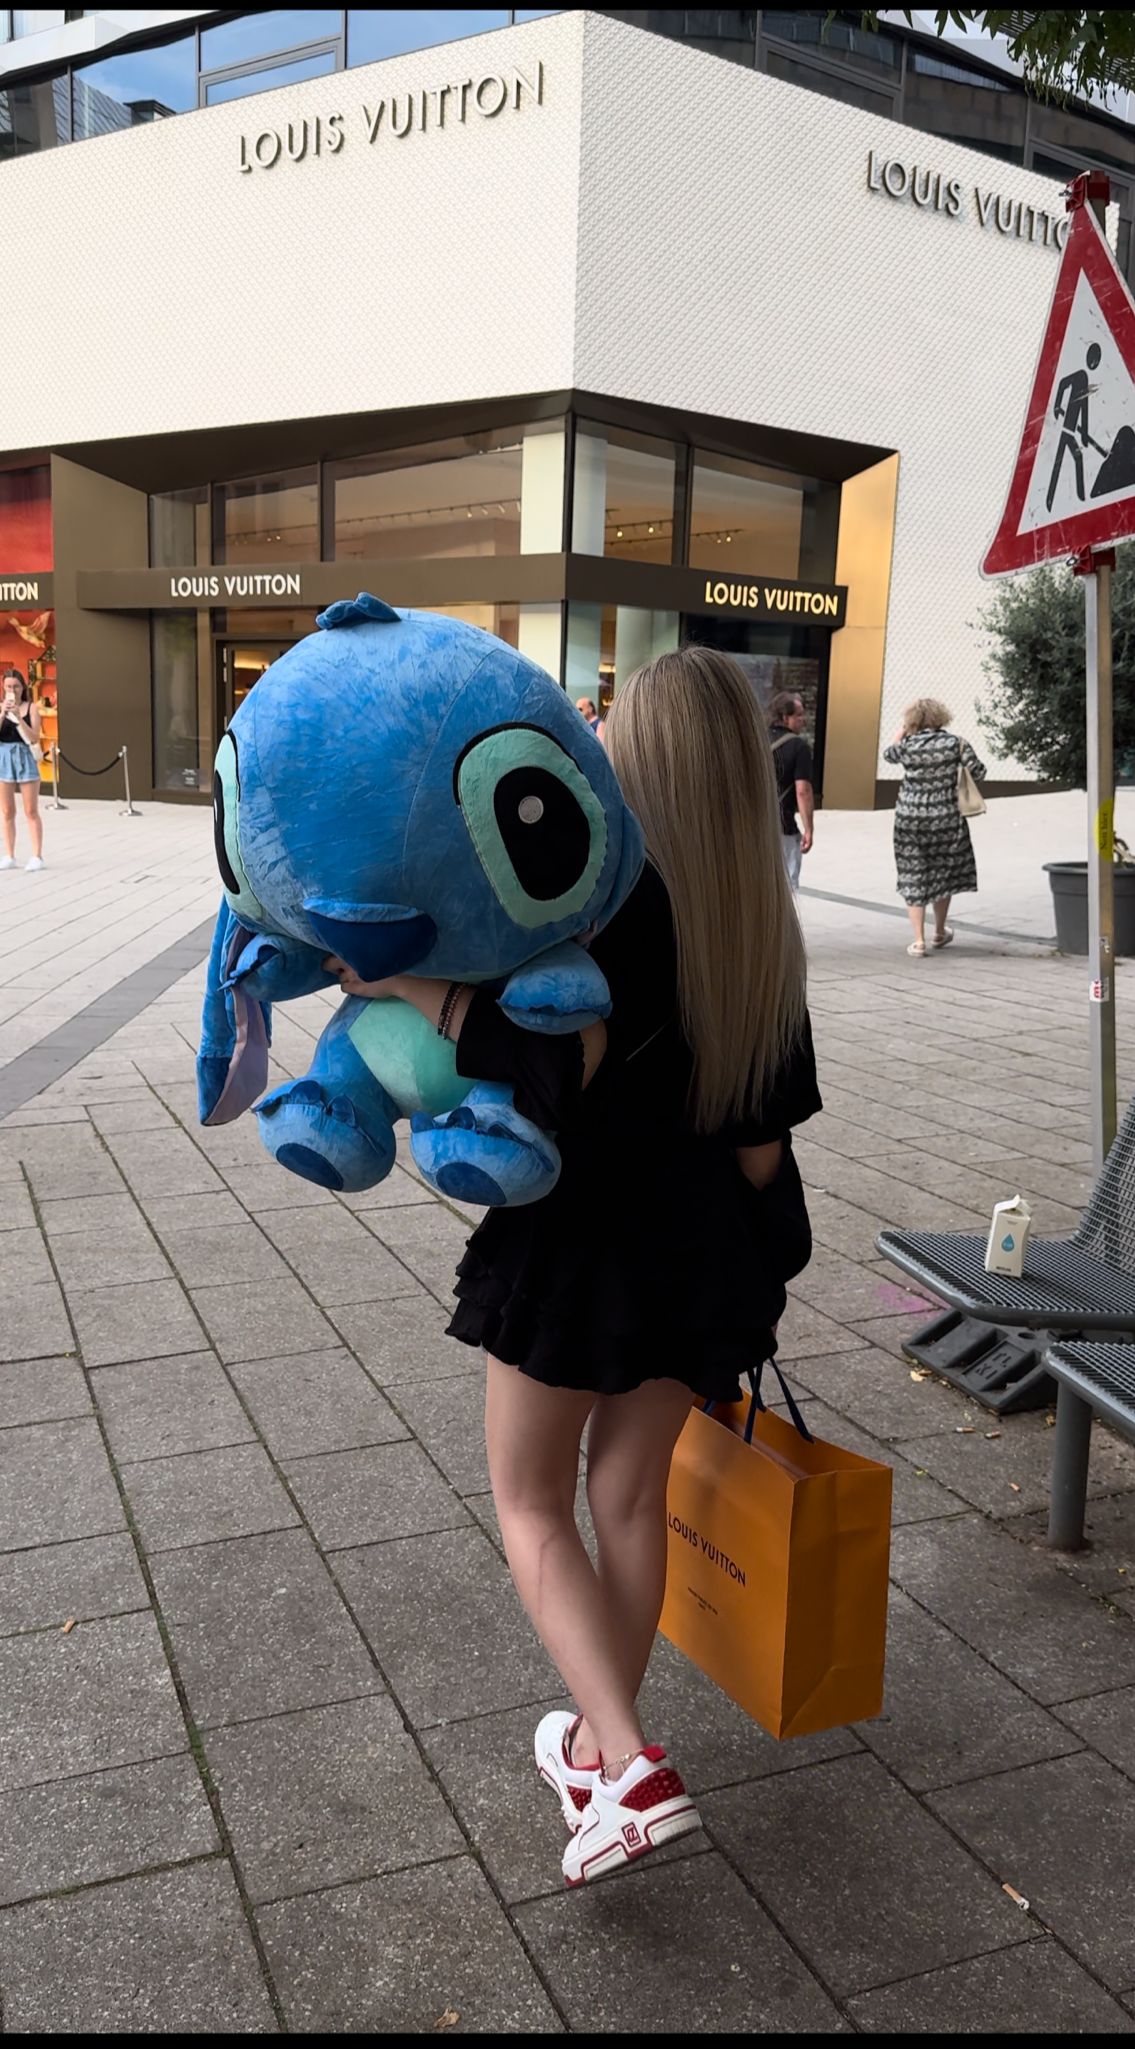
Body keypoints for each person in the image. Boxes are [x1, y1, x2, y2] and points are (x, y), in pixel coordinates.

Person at [329, 646, 820, 1887]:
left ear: (630, 757)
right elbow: (762, 1155)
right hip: (700, 1260)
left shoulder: (604, 907)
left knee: (533, 1504)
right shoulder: (762, 930)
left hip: (577, 1248)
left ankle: (632, 1767)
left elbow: (543, 1060)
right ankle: (604, 1756)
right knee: (629, 1502)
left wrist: (396, 983)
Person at [883, 698, 986, 955]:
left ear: (912, 720)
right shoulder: (956, 743)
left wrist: (903, 730)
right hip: (946, 819)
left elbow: (888, 754)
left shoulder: (907, 746)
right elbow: (979, 772)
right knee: (942, 873)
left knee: (913, 873)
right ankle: (939, 932)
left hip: (910, 820)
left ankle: (919, 941)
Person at [767, 691, 814, 889]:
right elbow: (803, 791)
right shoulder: (798, 747)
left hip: (753, 826)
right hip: (783, 827)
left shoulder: (757, 739)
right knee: (786, 888)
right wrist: (809, 829)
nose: (804, 720)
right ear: (785, 718)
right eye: (799, 715)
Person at [0, 669, 44, 872]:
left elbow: (34, 737)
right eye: (8, 686)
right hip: (4, 758)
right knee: (7, 811)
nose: (12, 690)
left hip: (25, 756)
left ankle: (37, 855)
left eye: (16, 686)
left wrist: (19, 718)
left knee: (30, 810)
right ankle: (9, 855)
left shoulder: (31, 708)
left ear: (22, 687)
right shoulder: (1, 707)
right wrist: (3, 714)